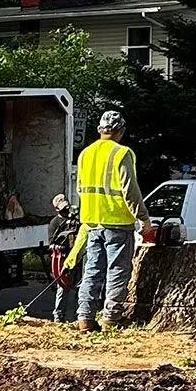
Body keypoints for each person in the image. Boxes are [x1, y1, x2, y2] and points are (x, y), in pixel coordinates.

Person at [74, 107, 145, 330]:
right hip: (118, 222)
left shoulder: (85, 153)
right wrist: (143, 218)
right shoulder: (122, 153)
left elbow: (80, 189)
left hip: (92, 222)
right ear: (120, 131)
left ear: (99, 130)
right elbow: (129, 190)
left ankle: (85, 317)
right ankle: (111, 319)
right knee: (117, 271)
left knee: (92, 270)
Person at [46, 191, 82, 323]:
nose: (66, 211)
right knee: (63, 287)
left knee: (79, 286)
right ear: (57, 209)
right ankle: (58, 315)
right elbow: (52, 243)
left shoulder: (74, 221)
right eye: (63, 208)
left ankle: (78, 314)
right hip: (62, 259)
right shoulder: (54, 223)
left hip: (76, 257)